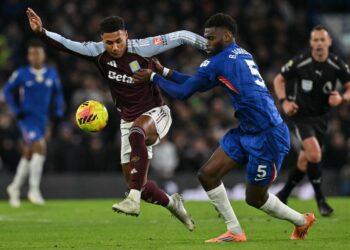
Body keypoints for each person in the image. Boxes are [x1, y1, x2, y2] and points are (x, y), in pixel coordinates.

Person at [133, 13, 315, 242]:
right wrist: (163, 72)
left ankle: (302, 220)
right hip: (247, 130)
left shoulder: (219, 61)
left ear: (227, 35)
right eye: (205, 37)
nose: (206, 42)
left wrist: (152, 78)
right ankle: (235, 231)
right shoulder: (238, 54)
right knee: (207, 174)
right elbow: (195, 83)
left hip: (268, 135)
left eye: (211, 37)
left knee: (255, 199)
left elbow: (184, 93)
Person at [26, 7, 208, 230]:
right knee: (139, 183)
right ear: (102, 40)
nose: (114, 47)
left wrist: (208, 45)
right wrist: (41, 32)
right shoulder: (96, 52)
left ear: (126, 35)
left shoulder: (143, 48)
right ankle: (173, 204)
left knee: (137, 134)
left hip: (156, 113)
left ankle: (132, 200)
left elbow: (181, 36)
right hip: (128, 121)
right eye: (109, 43)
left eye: (118, 41)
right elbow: (65, 43)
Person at [273, 25, 350, 216]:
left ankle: (283, 194)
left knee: (304, 161)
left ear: (329, 42)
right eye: (315, 40)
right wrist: (284, 102)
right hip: (300, 117)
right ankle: (321, 200)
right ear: (310, 43)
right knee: (315, 154)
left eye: (322, 40)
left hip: (322, 119)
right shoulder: (301, 61)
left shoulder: (337, 65)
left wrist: (341, 98)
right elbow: (278, 80)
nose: (318, 44)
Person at [4, 40, 64, 207]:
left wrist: (57, 113)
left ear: (43, 55)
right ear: (28, 56)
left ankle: (14, 187)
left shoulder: (52, 74)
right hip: (27, 119)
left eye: (38, 53)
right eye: (32, 53)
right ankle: (33, 190)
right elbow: (7, 91)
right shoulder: (22, 73)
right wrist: (16, 110)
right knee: (40, 147)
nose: (35, 56)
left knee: (29, 152)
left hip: (43, 120)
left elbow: (58, 95)